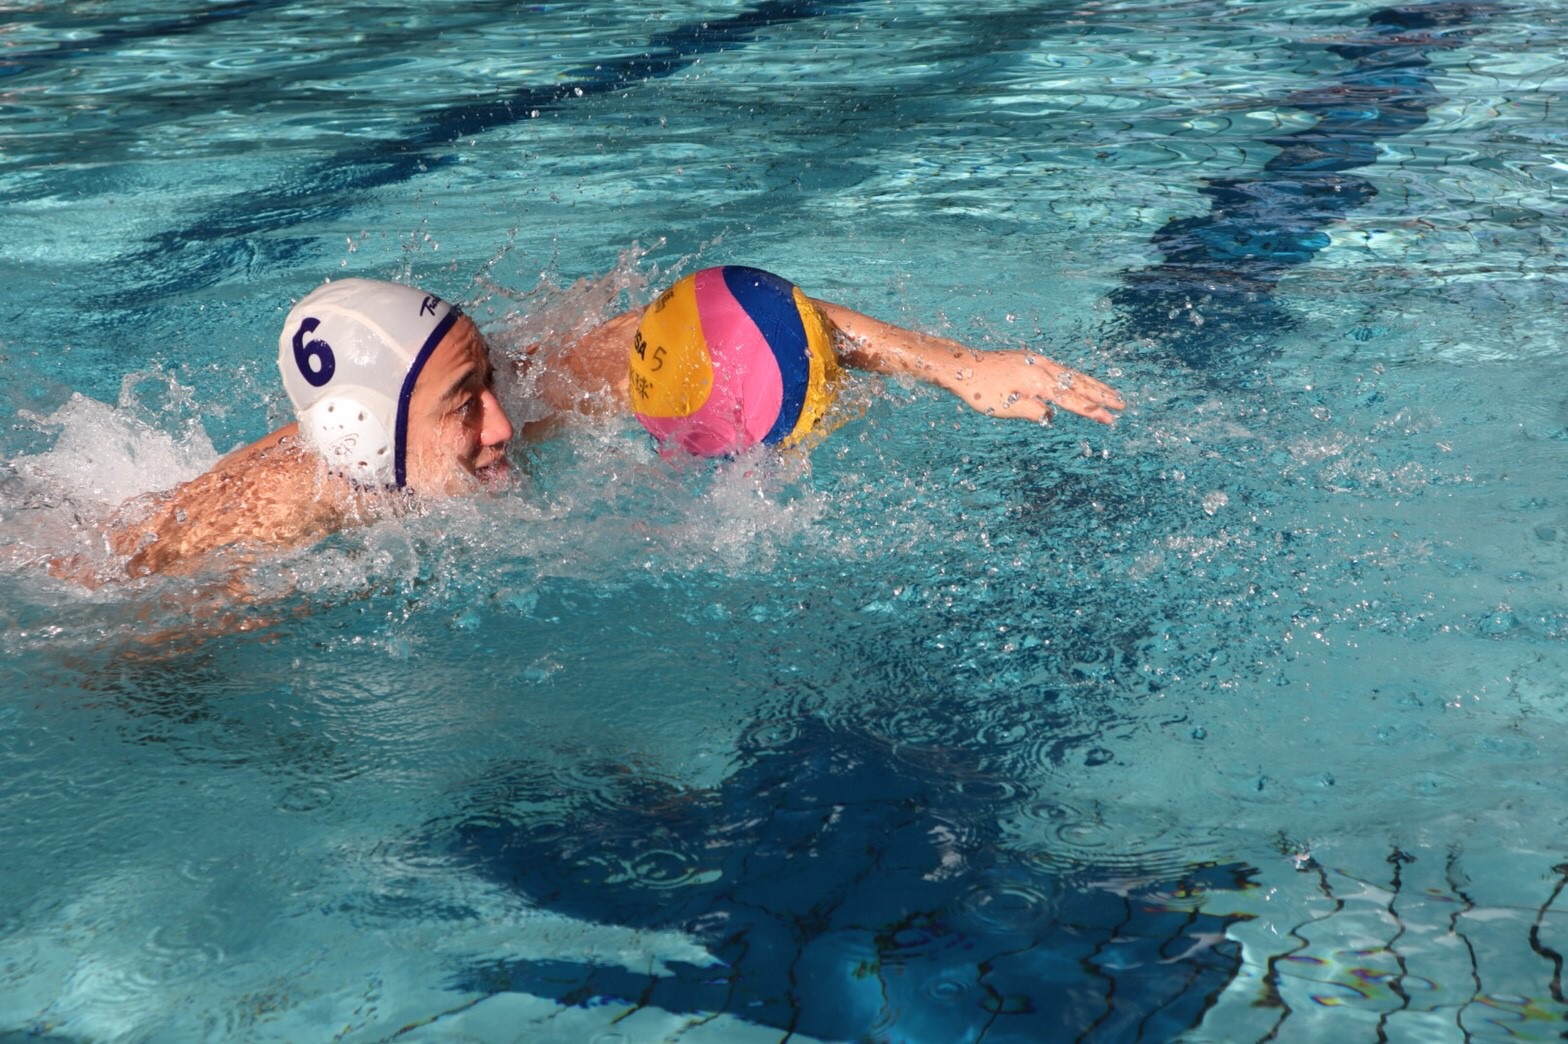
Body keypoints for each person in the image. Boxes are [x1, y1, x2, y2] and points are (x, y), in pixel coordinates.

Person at [71, 271, 1122, 581]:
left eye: (487, 379)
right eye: (463, 405)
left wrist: (958, 367)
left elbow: (709, 314)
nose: (504, 423)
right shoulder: (256, 529)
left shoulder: (520, 397)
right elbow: (108, 631)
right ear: (361, 441)